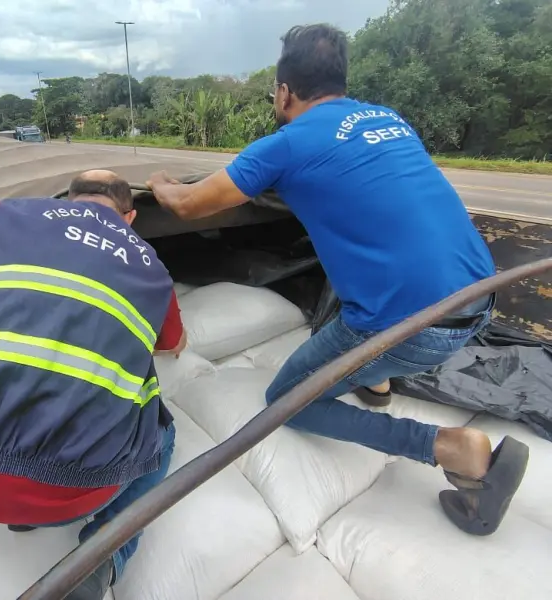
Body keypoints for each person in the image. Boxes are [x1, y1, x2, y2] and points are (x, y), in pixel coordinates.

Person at [145, 24, 529, 536]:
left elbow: (190, 205)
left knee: (287, 401)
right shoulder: (388, 119)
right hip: (478, 296)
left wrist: (156, 181)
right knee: (362, 302)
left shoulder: (285, 145)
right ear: (340, 82)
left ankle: (452, 448)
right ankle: (376, 380)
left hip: (416, 325)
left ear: (284, 92)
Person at [0, 169, 187, 599]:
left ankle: (23, 517)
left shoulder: (17, 216)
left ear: (67, 200)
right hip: (75, 493)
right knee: (164, 435)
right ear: (130, 217)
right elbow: (173, 344)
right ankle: (103, 558)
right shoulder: (152, 267)